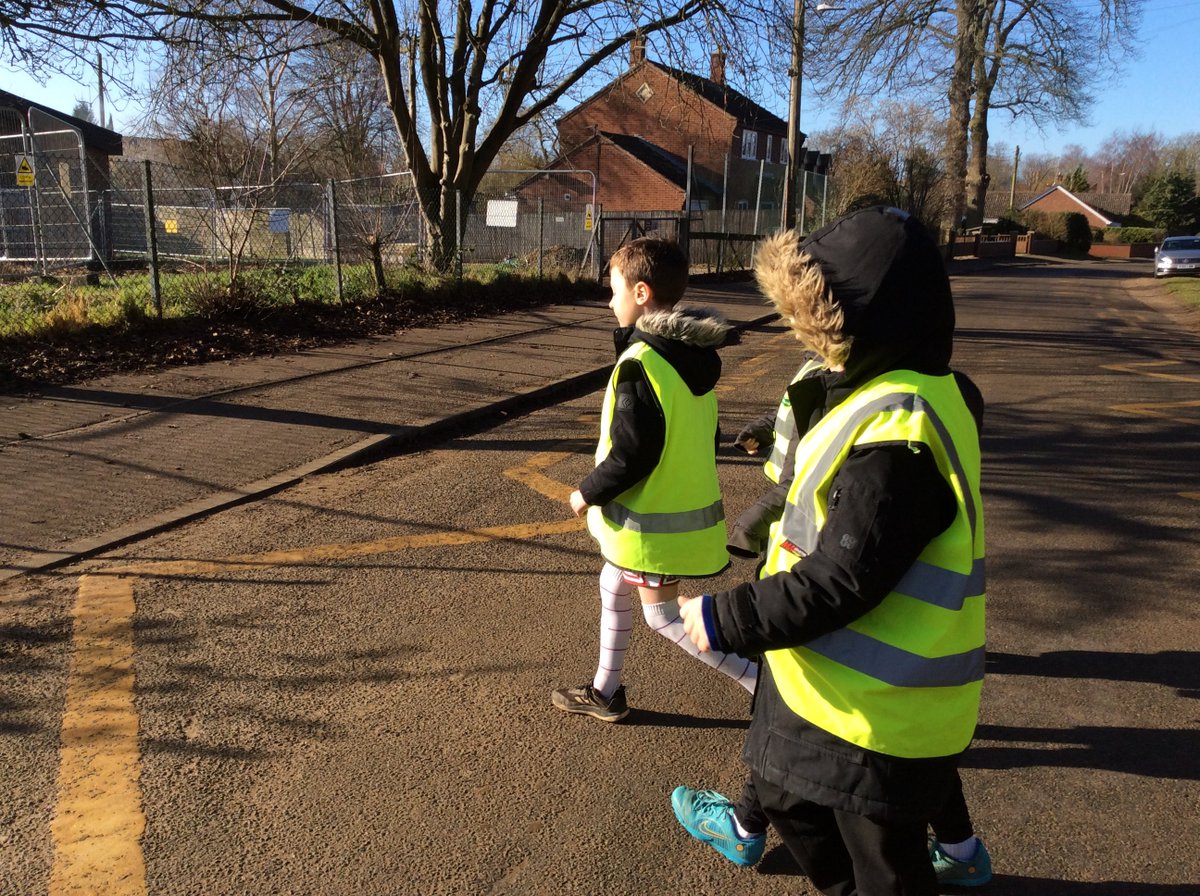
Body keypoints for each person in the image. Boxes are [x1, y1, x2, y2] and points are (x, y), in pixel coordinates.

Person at [669, 207, 988, 895]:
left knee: (881, 870)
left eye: (813, 324)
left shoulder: (899, 431)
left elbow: (844, 577)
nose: (804, 338)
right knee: (787, 796)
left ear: (859, 326)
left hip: (871, 716)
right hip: (822, 686)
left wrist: (727, 617)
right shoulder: (891, 391)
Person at [728, 362, 993, 888]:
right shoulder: (920, 390)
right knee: (808, 799)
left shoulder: (896, 418)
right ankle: (960, 849)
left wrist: (729, 616)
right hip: (864, 685)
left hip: (861, 697)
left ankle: (743, 826)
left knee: (875, 852)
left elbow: (843, 577)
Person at [551, 237, 757, 723]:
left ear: (641, 293)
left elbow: (632, 455)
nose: (610, 302)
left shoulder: (641, 364)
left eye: (614, 291)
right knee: (612, 583)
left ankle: (763, 685)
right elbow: (705, 438)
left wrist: (586, 493)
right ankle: (605, 692)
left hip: (654, 527)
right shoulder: (689, 359)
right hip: (670, 517)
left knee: (661, 617)